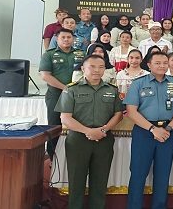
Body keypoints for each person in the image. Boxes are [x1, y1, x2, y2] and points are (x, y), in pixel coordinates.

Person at [54, 54, 123, 209]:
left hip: (104, 139)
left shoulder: (112, 90)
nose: (97, 70)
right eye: (92, 66)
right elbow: (65, 118)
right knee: (76, 181)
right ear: (83, 68)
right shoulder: (70, 89)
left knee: (100, 181)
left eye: (101, 67)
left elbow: (118, 115)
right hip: (78, 140)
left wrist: (103, 130)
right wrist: (88, 131)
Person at [123, 51, 173, 209]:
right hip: (144, 132)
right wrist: (152, 129)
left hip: (168, 132)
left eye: (165, 63)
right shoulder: (138, 83)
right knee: (138, 173)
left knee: (163, 175)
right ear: (149, 65)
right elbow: (131, 111)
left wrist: (169, 128)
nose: (162, 66)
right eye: (157, 63)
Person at [39, 28, 85, 160]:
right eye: (63, 37)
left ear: (73, 39)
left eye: (69, 37)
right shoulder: (49, 54)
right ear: (57, 39)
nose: (66, 40)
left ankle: (75, 157)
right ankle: (53, 158)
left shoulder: (81, 53)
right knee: (55, 126)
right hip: (56, 95)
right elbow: (45, 76)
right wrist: (66, 88)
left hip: (78, 96)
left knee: (78, 124)